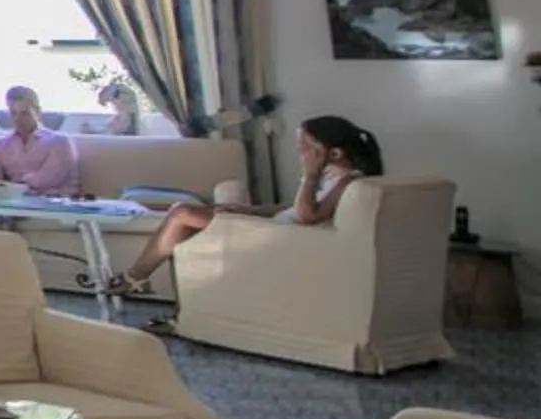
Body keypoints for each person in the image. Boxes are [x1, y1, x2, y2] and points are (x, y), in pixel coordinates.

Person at [110, 115, 383, 297]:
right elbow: (294, 208)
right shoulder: (335, 178)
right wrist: (250, 211)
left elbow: (306, 217)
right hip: (276, 227)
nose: (299, 153)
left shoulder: (349, 181)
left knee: (182, 212)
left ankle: (135, 278)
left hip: (283, 237)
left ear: (333, 153)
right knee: (191, 223)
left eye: (304, 147)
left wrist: (309, 175)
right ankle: (169, 303)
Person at [0, 85, 82, 197]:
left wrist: (7, 186)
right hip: (15, 206)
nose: (17, 119)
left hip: (55, 207)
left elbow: (46, 181)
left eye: (24, 113)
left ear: (37, 112)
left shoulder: (60, 142)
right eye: (13, 113)